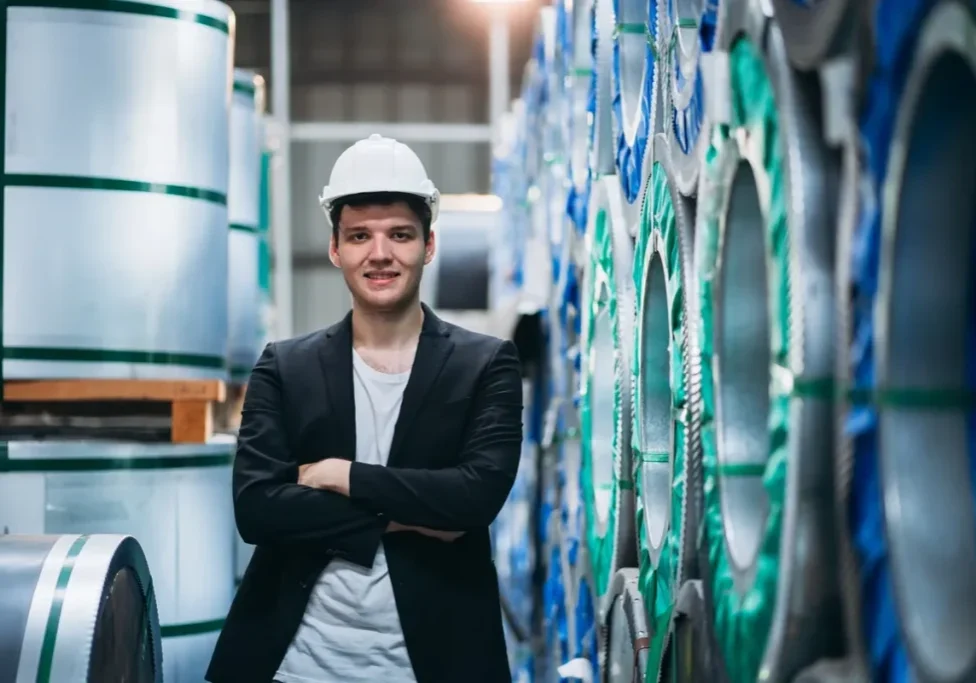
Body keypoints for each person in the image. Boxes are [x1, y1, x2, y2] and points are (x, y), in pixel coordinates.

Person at [206, 134, 523, 683]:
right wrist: (417, 513)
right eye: (359, 236)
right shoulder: (284, 366)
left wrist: (339, 475)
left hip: (433, 664)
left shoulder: (487, 363)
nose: (380, 254)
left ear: (428, 245)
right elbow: (257, 509)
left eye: (400, 235)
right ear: (335, 249)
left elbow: (474, 500)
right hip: (295, 665)